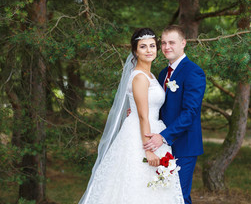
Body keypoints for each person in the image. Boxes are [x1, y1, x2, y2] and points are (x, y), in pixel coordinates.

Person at [78, 28, 184, 204]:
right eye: (143, 47)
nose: (149, 50)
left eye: (152, 45)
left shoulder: (150, 75)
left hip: (154, 131)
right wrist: (148, 150)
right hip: (142, 136)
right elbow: (143, 116)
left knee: (154, 188)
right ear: (135, 51)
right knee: (136, 184)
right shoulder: (140, 77)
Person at [143, 25, 206, 204]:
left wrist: (162, 137)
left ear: (183, 43)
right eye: (163, 43)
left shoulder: (193, 71)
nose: (166, 47)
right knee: (164, 196)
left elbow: (190, 112)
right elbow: (161, 107)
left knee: (179, 196)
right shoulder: (163, 73)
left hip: (184, 145)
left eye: (171, 42)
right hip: (163, 144)